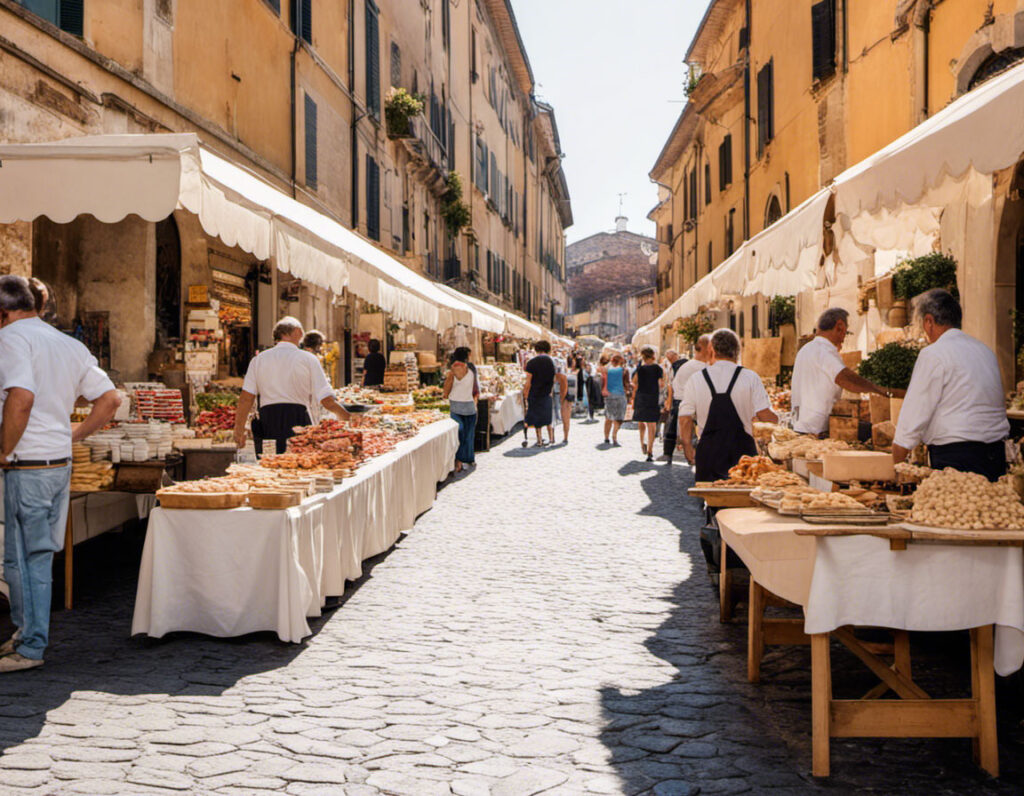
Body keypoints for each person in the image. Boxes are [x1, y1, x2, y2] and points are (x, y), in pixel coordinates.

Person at [0, 275, 122, 673]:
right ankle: (24, 633)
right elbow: (111, 398)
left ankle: (31, 646)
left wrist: (4, 449)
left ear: (3, 313)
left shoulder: (12, 339)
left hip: (28, 463)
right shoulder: (67, 343)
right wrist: (75, 433)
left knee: (27, 557)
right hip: (57, 462)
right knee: (24, 558)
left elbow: (21, 397)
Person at [893, 289, 1010, 480]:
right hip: (995, 455)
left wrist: (897, 462)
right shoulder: (985, 350)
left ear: (929, 321)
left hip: (957, 457)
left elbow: (914, 414)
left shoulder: (934, 354)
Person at [233, 317, 353, 455]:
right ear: (297, 332)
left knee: (269, 467)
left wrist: (238, 429)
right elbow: (326, 400)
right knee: (299, 465)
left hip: (268, 421)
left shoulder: (258, 360)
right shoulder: (308, 359)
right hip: (298, 419)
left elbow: (246, 398)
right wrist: (349, 418)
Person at [679, 328, 778, 482]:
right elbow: (765, 415)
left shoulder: (696, 379)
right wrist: (783, 426)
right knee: (742, 501)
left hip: (709, 454)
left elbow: (685, 418)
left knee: (710, 498)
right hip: (743, 457)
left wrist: (687, 446)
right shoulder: (750, 377)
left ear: (712, 350)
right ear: (738, 352)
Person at [791, 307, 903, 435]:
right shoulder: (824, 350)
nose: (844, 337)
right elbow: (845, 378)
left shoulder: (807, 349)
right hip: (817, 429)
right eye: (846, 331)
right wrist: (880, 389)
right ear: (839, 326)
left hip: (801, 425)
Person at [661, 335, 711, 463]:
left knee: (686, 435)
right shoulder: (702, 368)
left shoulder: (687, 366)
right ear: (706, 349)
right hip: (691, 404)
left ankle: (675, 454)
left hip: (681, 403)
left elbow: (672, 385)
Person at [443, 349, 479, 473]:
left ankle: (458, 461)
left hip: (456, 406)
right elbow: (475, 387)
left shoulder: (452, 369)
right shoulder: (472, 368)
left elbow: (447, 388)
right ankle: (468, 458)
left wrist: (444, 395)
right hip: (469, 405)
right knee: (468, 435)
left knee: (459, 434)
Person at [632, 346, 664, 461]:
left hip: (641, 396)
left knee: (641, 421)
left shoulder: (640, 368)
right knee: (652, 424)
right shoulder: (657, 368)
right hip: (652, 397)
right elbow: (661, 384)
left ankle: (642, 442)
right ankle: (650, 450)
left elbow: (634, 382)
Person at [523, 340, 557, 447]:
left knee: (537, 419)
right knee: (548, 417)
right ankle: (551, 438)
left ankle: (539, 440)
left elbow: (528, 381)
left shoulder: (531, 363)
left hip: (535, 393)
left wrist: (525, 394)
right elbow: (554, 379)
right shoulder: (552, 362)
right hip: (547, 393)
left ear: (536, 349)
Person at [602, 353, 631, 445]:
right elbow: (627, 384)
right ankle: (614, 436)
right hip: (621, 395)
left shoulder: (607, 370)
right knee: (618, 417)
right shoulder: (624, 370)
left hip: (610, 395)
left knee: (608, 417)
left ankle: (606, 437)